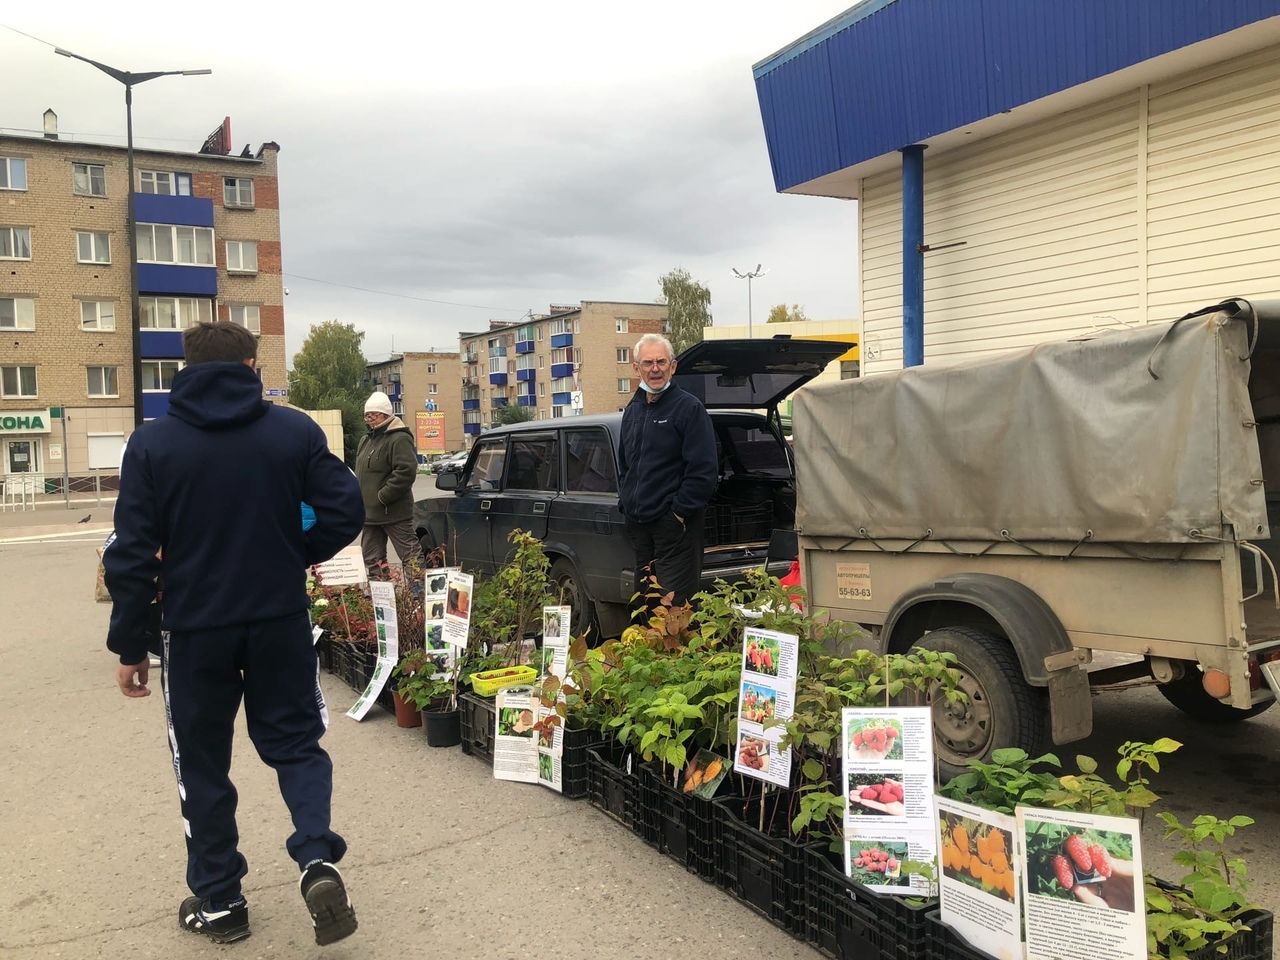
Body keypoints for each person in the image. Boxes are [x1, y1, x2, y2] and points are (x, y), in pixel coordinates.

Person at [104, 321, 364, 946]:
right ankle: (315, 858)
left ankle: (221, 900)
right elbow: (345, 509)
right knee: (297, 743)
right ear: (251, 365)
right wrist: (291, 554)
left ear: (183, 369)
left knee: (202, 763)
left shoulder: (152, 445)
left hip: (194, 629)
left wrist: (129, 645)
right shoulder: (292, 429)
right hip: (277, 618)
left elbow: (131, 553)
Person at [617, 333, 717, 613]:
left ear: (673, 367)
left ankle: (679, 657)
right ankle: (653, 657)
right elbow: (626, 464)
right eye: (648, 363)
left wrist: (677, 514)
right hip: (640, 527)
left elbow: (703, 472)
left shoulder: (688, 408)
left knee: (675, 608)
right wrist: (626, 504)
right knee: (647, 604)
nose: (655, 368)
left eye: (661, 362)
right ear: (636, 368)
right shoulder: (633, 409)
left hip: (675, 529)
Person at [356, 391, 421, 576]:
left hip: (394, 513)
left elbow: (405, 472)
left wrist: (382, 496)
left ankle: (418, 598)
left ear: (386, 415)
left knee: (411, 557)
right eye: (366, 415)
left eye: (373, 415)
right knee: (372, 560)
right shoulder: (365, 440)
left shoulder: (399, 438)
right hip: (369, 515)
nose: (369, 419)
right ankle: (382, 603)